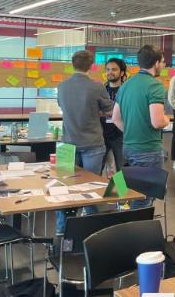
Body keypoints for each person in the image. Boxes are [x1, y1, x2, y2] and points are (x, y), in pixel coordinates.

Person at [56, 50, 112, 234]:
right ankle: (91, 231)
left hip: (67, 144)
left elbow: (63, 106)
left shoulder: (62, 86)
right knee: (90, 190)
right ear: (91, 66)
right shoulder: (96, 87)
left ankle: (61, 230)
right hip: (92, 144)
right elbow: (110, 110)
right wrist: (99, 112)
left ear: (72, 64)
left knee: (64, 189)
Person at [112, 45, 170, 208]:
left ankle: (126, 227)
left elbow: (116, 118)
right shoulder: (154, 86)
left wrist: (133, 131)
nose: (164, 66)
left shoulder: (126, 85)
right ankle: (135, 231)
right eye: (163, 62)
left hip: (128, 148)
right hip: (148, 150)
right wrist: (167, 119)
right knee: (143, 199)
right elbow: (157, 121)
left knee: (128, 194)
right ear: (156, 63)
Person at [101, 58, 127, 173]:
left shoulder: (127, 90)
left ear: (121, 73)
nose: (110, 72)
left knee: (121, 170)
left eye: (114, 69)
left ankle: (121, 191)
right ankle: (103, 191)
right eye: (107, 69)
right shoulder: (100, 90)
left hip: (120, 135)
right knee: (99, 169)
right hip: (102, 134)